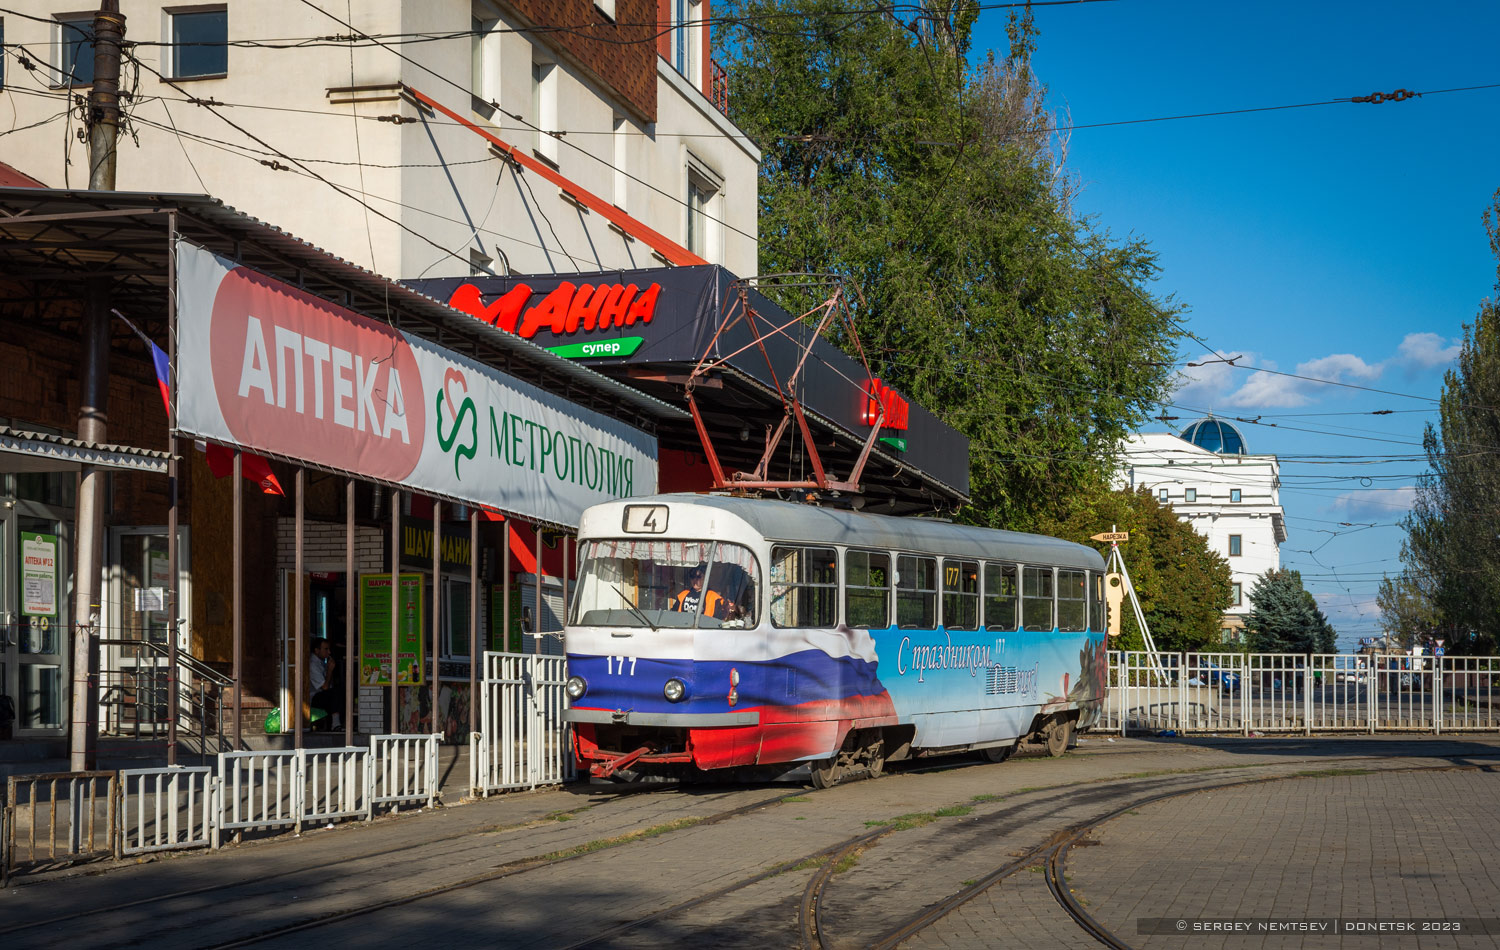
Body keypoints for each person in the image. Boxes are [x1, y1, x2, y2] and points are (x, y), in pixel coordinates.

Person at [309, 637, 341, 730]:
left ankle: (336, 722)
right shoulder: (313, 664)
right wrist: (330, 670)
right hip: (313, 698)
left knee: (339, 690)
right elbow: (325, 687)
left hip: (321, 695)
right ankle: (335, 724)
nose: (329, 652)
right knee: (334, 693)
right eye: (326, 649)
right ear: (317, 650)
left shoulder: (321, 662)